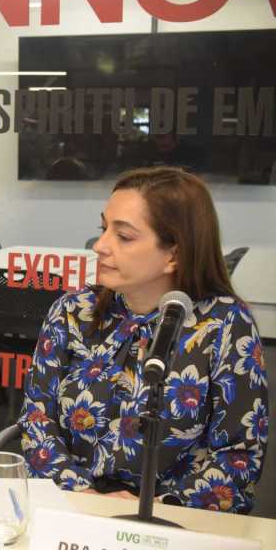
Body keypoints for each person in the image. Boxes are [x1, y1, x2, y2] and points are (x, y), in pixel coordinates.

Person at [19, 166, 268, 513]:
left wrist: (151, 509)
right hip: (72, 508)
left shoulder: (225, 325)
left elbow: (238, 458)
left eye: (124, 236)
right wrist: (83, 497)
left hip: (175, 520)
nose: (100, 246)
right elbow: (37, 420)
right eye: (103, 229)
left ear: (175, 254)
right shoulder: (73, 312)